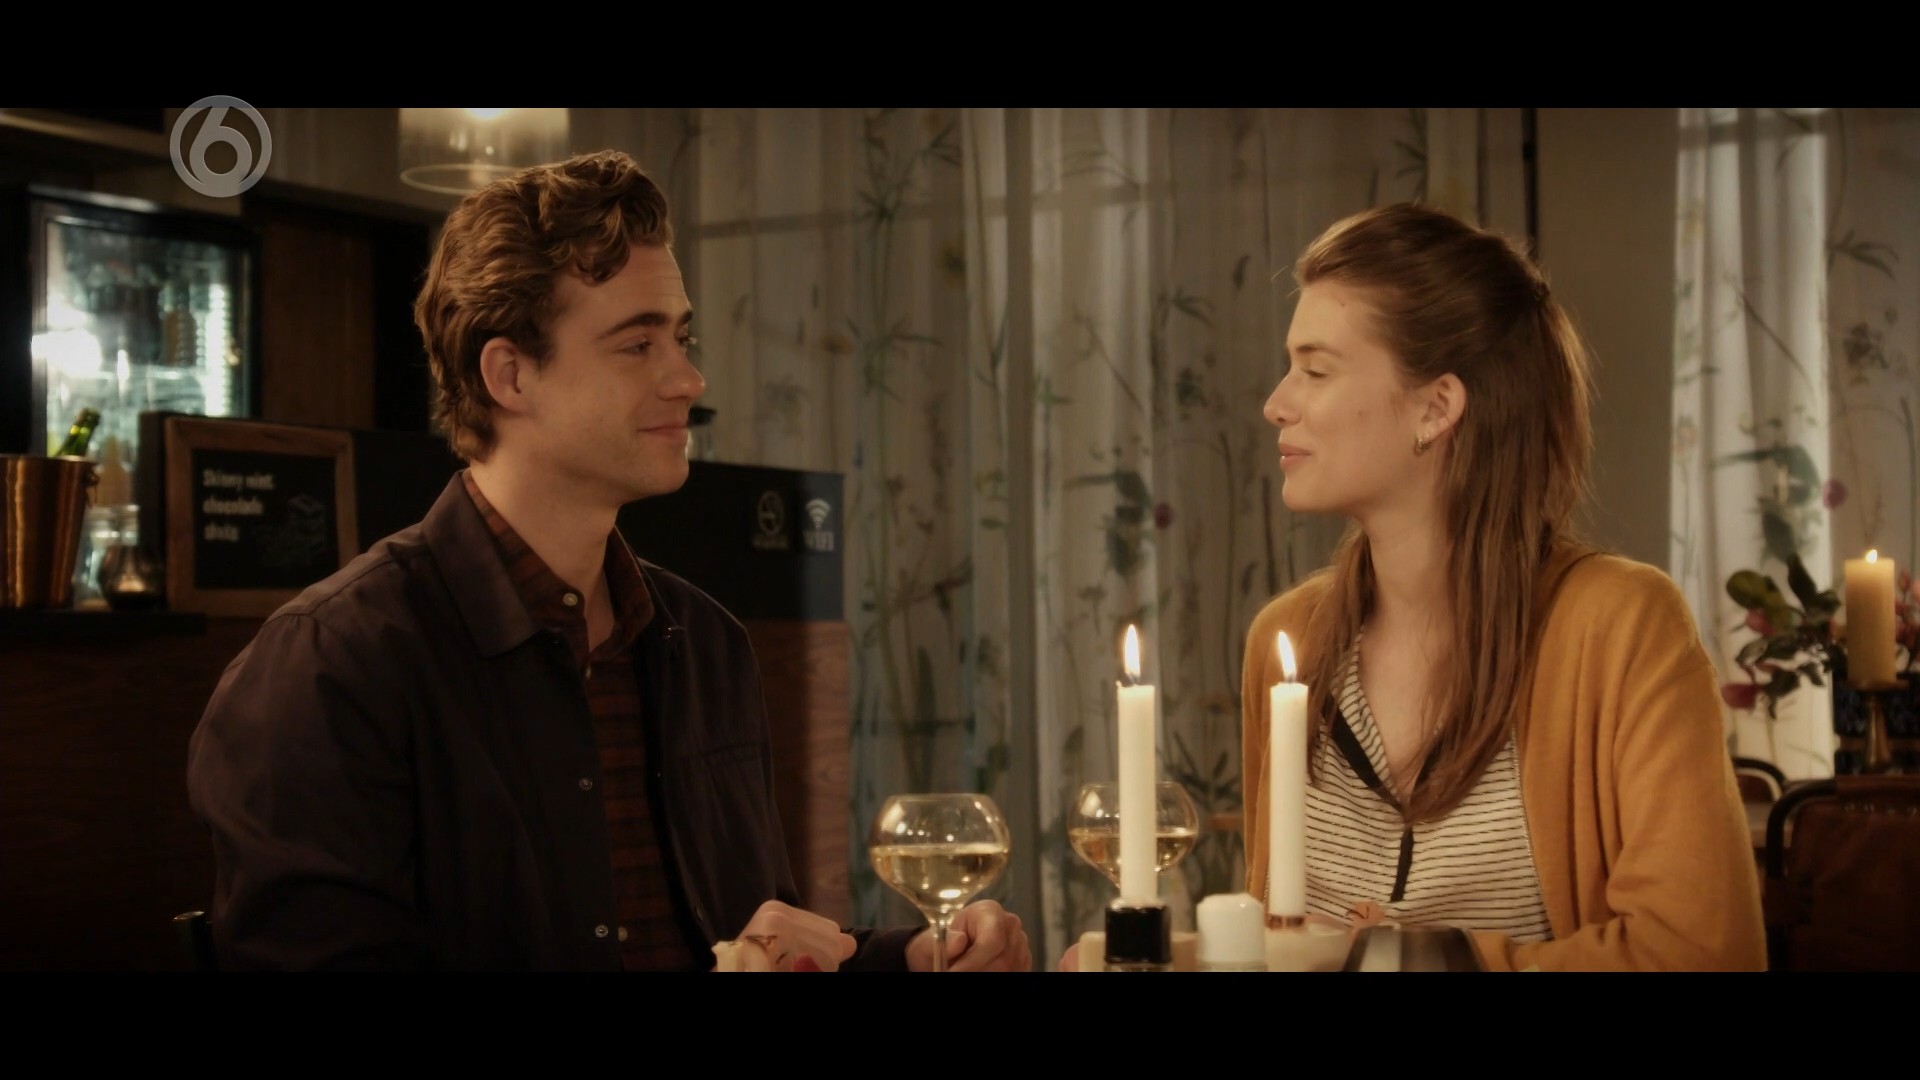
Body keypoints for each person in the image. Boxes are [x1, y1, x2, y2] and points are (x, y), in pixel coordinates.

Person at [185, 150, 1031, 973]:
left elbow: (751, 942)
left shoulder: (704, 644)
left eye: (682, 337)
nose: (689, 379)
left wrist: (910, 959)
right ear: (510, 375)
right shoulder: (331, 667)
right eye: (637, 345)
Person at [1235, 202, 1766, 971]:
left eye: (1315, 370)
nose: (1277, 403)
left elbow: (1702, 952)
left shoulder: (1621, 628)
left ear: (1436, 407)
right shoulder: (1286, 642)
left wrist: (1421, 960)